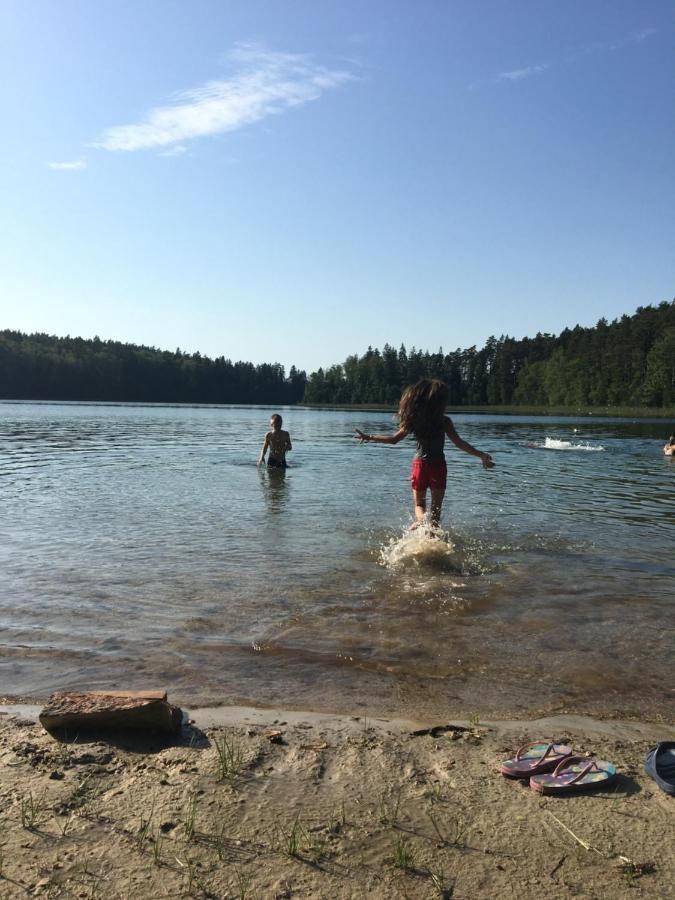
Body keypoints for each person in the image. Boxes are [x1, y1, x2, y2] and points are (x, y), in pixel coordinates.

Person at [355, 378, 494, 527]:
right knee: (436, 511)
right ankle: (433, 539)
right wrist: (481, 455)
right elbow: (459, 443)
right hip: (438, 466)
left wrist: (369, 437)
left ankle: (421, 522)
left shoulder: (414, 420)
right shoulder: (444, 421)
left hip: (420, 466)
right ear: (440, 403)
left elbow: (394, 439)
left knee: (419, 505)